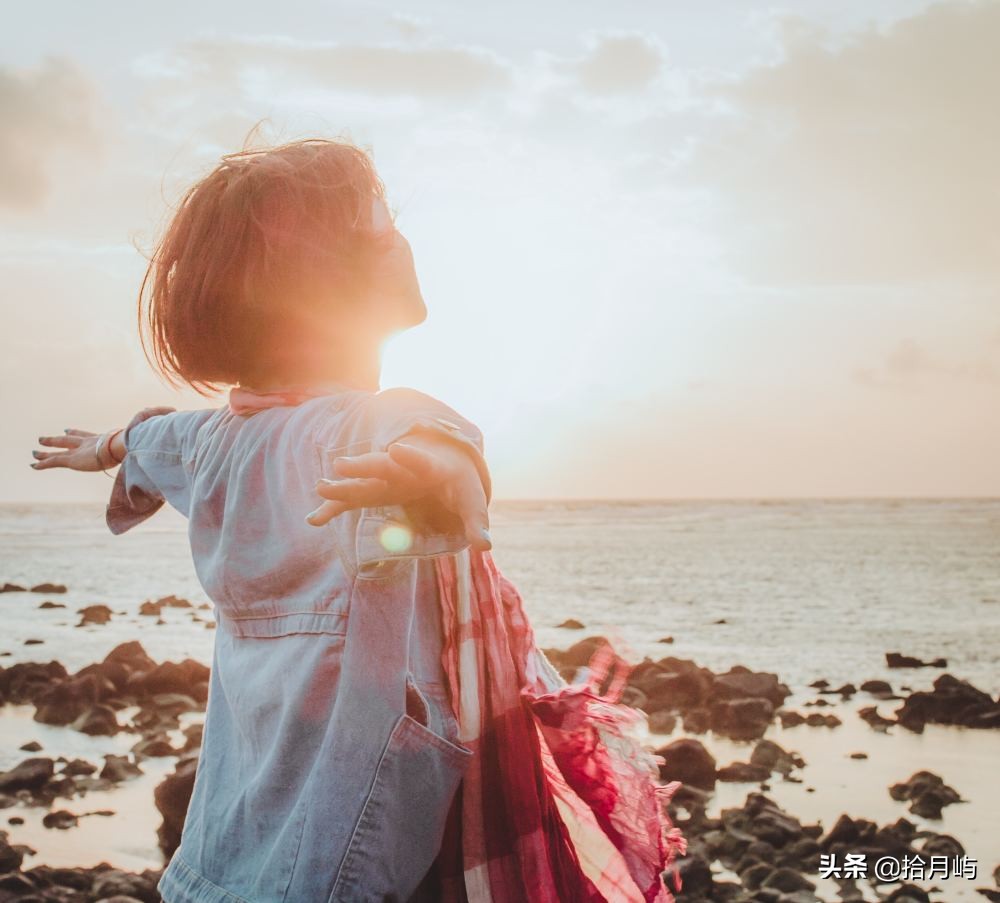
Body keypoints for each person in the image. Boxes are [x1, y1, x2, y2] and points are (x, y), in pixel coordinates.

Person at [31, 138, 499, 902]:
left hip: (232, 846)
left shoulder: (214, 439)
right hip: (352, 849)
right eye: (380, 221)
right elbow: (437, 446)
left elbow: (152, 439)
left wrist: (103, 446)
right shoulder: (369, 426)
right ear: (317, 280)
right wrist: (436, 478)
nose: (400, 234)